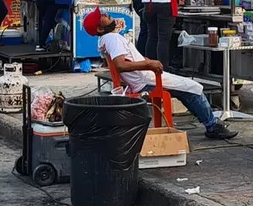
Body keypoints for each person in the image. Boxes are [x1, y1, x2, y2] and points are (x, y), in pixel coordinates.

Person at [84, 8, 237, 139]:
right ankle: (212, 126)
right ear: (99, 28)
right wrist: (149, 63)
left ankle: (209, 122)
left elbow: (125, 61)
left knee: (187, 88)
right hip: (145, 81)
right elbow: (121, 65)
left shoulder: (105, 40)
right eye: (102, 16)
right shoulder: (112, 38)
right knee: (193, 87)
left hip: (142, 78)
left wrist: (145, 60)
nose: (106, 14)